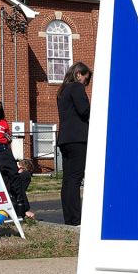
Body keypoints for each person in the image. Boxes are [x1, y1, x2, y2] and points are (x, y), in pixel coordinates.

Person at [56, 62, 92, 226]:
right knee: (75, 179)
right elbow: (84, 110)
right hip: (78, 138)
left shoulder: (62, 91)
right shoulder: (77, 88)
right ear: (79, 74)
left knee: (68, 180)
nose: (85, 83)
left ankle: (69, 218)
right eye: (86, 79)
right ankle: (76, 220)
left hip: (65, 139)